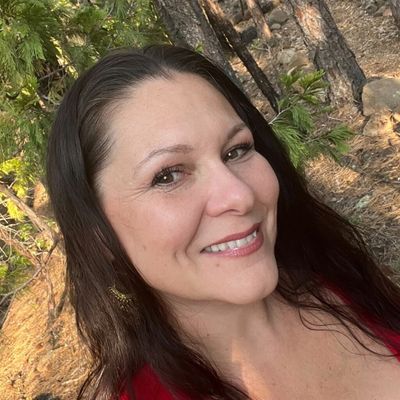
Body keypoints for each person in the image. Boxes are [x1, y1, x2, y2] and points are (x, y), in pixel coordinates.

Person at [46, 45, 400, 400]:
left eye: (236, 150)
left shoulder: (338, 280)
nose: (240, 196)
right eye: (168, 175)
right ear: (97, 234)